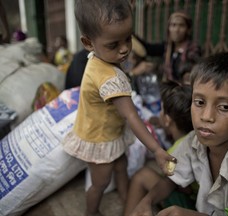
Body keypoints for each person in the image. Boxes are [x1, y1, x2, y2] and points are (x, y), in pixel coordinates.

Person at [61, 1, 175, 216]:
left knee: (121, 164)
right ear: (88, 43)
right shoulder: (110, 79)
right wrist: (157, 150)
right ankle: (91, 212)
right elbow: (132, 116)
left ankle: (126, 196)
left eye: (128, 38)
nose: (124, 49)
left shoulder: (99, 58)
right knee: (100, 183)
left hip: (107, 130)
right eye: (114, 45)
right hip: (99, 138)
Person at [130, 52, 228, 216]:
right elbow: (172, 180)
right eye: (200, 102)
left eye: (224, 107)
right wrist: (147, 201)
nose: (206, 116)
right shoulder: (193, 141)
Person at [124, 80, 194, 216]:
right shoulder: (191, 139)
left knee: (142, 175)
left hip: (191, 207)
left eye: (161, 111)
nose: (159, 114)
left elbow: (183, 187)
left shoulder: (174, 153)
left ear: (167, 120)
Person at [135, 10, 202, 82]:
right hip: (169, 90)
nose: (177, 30)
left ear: (188, 30)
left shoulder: (193, 49)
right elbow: (148, 49)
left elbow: (188, 69)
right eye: (173, 25)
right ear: (169, 28)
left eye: (181, 25)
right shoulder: (168, 47)